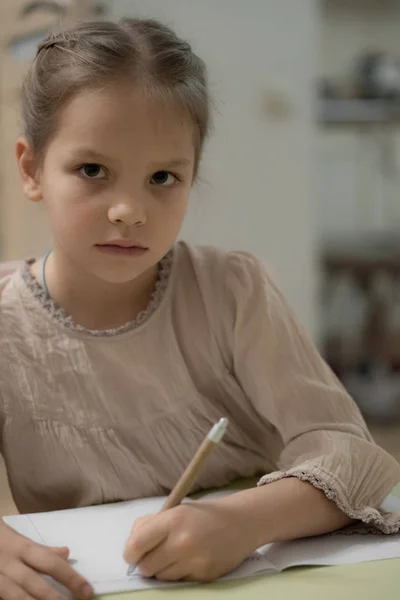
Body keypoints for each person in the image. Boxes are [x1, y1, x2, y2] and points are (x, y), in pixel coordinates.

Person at [0, 17, 399, 600]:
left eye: (163, 176)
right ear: (31, 169)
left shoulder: (230, 291)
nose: (128, 210)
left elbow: (353, 456)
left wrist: (243, 522)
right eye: (93, 171)